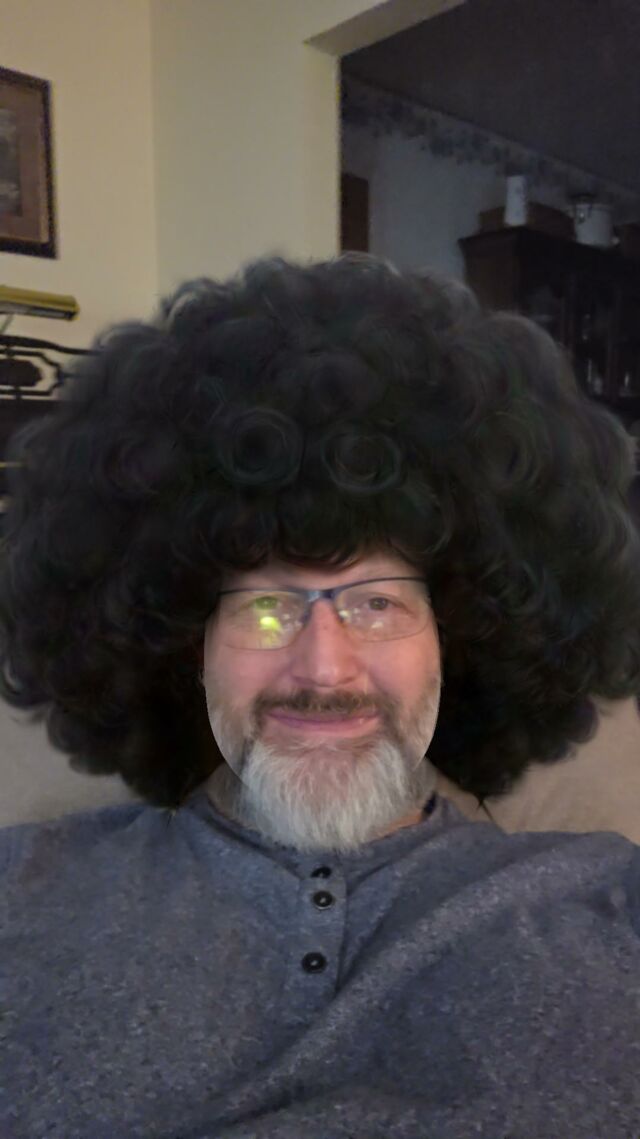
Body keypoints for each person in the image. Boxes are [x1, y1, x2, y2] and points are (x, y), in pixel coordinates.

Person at [1, 254, 639, 1139]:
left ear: (458, 636)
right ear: (186, 645)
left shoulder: (613, 904)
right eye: (266, 609)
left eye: (377, 604)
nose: (325, 669)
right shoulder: (20, 889)